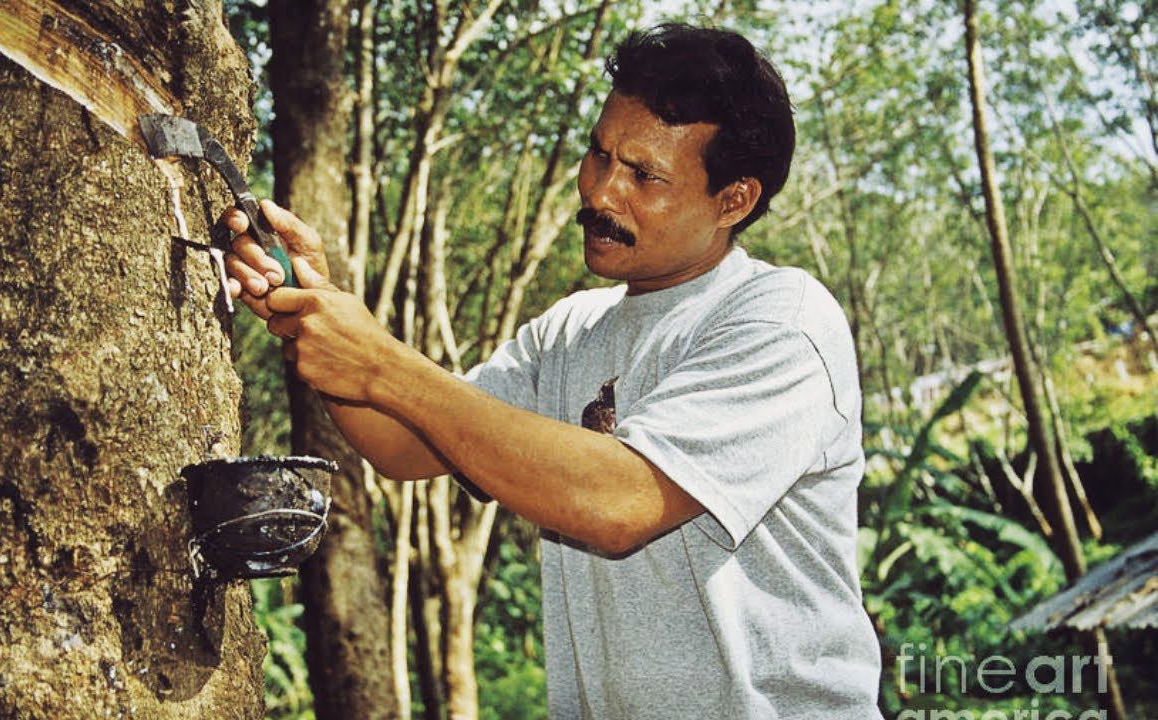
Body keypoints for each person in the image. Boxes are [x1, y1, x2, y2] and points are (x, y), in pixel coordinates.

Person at [223, 23, 881, 719]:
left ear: (734, 201)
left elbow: (619, 502)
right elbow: (405, 445)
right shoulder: (569, 331)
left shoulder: (781, 321)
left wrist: (380, 360)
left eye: (643, 175)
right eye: (599, 154)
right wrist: (313, 313)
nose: (601, 192)